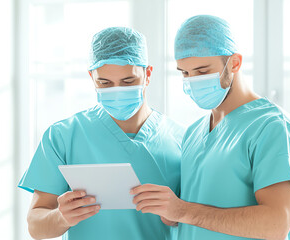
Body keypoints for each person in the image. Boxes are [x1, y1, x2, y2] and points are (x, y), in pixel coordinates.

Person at [131, 15, 290, 240]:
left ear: (235, 63)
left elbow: (276, 225)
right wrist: (172, 214)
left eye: (202, 71)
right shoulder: (193, 133)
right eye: (185, 73)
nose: (192, 81)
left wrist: (184, 211)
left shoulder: (273, 128)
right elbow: (194, 213)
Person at [18, 27, 184, 240]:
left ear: (147, 74)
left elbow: (193, 217)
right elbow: (36, 226)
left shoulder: (181, 139)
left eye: (128, 82)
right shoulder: (63, 137)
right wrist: (61, 217)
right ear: (91, 78)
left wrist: (177, 215)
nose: (117, 90)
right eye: (105, 83)